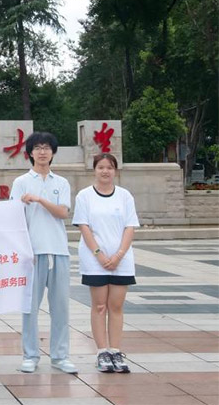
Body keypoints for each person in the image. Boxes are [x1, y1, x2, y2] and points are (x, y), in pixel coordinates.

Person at [10, 132, 78, 374]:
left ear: (53, 152)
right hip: (32, 253)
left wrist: (39, 199)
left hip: (58, 251)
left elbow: (63, 213)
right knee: (30, 308)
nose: (42, 152)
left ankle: (60, 356)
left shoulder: (61, 182)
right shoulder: (21, 182)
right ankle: (30, 355)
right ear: (30, 153)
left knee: (60, 308)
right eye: (37, 147)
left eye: (46, 147)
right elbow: (13, 217)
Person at [72, 153, 139, 373]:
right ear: (94, 170)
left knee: (116, 306)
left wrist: (118, 255)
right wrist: (99, 255)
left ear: (115, 171)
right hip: (94, 260)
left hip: (121, 259)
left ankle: (115, 351)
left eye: (109, 167)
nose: (105, 171)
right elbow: (84, 228)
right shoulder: (84, 196)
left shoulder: (125, 196)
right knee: (100, 306)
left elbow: (130, 227)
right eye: (101, 167)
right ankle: (102, 352)